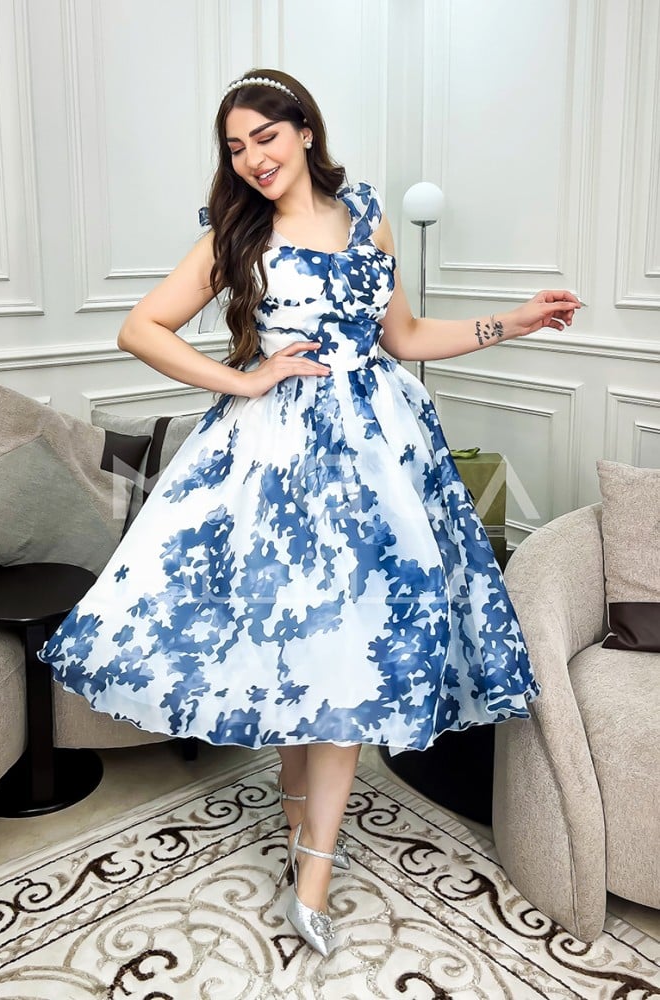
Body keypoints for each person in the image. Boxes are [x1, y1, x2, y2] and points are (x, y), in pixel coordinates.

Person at [38, 68, 580, 957]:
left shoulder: (368, 216)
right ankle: (308, 850)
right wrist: (248, 380)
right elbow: (141, 328)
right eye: (235, 148)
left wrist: (510, 323)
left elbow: (404, 339)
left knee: (349, 649)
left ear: (304, 131)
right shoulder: (238, 233)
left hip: (381, 456)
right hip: (276, 460)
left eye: (265, 137)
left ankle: (313, 878)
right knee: (302, 653)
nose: (253, 159)